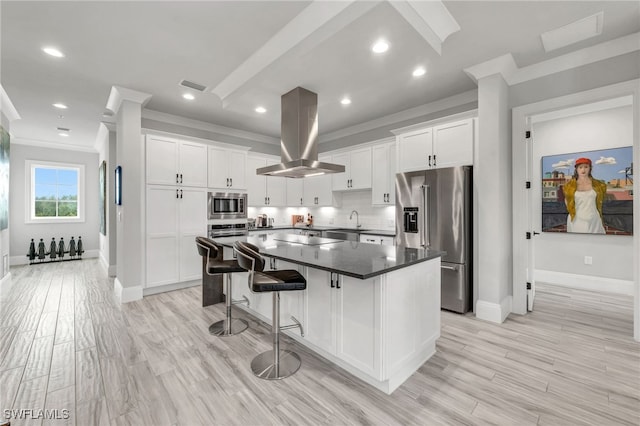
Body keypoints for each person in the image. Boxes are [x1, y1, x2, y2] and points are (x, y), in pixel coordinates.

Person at [563, 157, 607, 234]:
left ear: (590, 168)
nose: (583, 170)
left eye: (586, 167)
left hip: (594, 220)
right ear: (576, 169)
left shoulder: (599, 185)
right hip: (576, 220)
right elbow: (567, 202)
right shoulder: (569, 186)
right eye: (580, 167)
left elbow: (601, 200)